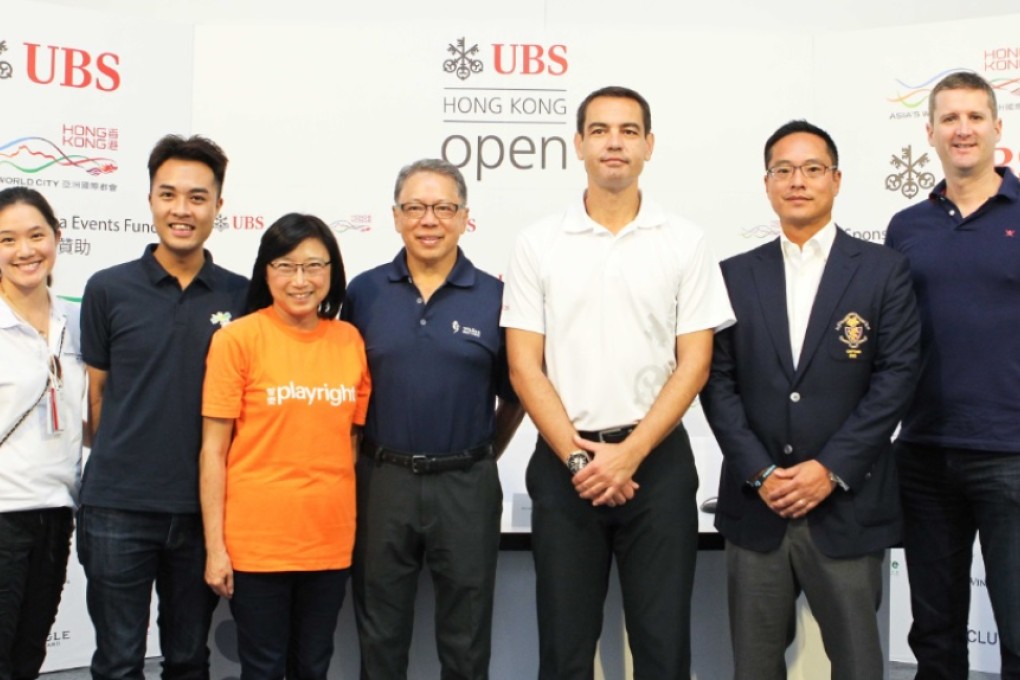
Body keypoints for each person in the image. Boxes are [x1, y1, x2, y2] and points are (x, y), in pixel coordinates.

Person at [501, 85, 734, 679]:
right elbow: (524, 365)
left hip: (656, 466)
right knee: (563, 648)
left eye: (629, 131)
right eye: (600, 130)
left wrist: (629, 455)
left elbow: (695, 363)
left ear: (649, 146)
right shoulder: (537, 243)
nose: (614, 143)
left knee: (663, 648)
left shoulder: (685, 241)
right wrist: (584, 463)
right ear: (578, 144)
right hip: (563, 465)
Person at [700, 120, 921, 679]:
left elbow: (895, 379)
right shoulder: (732, 276)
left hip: (847, 506)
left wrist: (830, 469)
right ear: (768, 183)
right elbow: (715, 382)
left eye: (813, 169)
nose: (798, 181)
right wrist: (760, 471)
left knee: (858, 664)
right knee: (754, 667)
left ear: (837, 180)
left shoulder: (883, 271)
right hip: (758, 509)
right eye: (784, 170)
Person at [340, 158, 523, 680]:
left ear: (465, 217)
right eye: (415, 207)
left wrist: (484, 450)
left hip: (466, 482)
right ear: (395, 217)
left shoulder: (496, 296)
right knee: (379, 634)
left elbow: (517, 394)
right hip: (382, 482)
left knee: (466, 641)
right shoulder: (365, 293)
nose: (429, 220)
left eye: (443, 208)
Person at [79, 135, 248, 680]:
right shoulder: (107, 289)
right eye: (168, 194)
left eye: (198, 197)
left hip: (204, 515)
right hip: (116, 510)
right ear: (150, 199)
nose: (182, 210)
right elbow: (97, 397)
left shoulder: (243, 297)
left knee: (187, 660)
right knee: (118, 661)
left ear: (219, 206)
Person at [886, 71, 1020, 680]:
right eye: (949, 118)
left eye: (974, 116)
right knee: (935, 637)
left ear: (997, 126)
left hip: (1011, 453)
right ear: (930, 132)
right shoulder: (905, 227)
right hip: (924, 454)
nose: (962, 129)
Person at [200, 213, 370, 680]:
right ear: (265, 272)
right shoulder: (237, 339)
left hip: (329, 541)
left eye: (314, 266)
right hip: (259, 544)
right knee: (263, 667)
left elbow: (350, 442)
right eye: (285, 266)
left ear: (332, 272)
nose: (301, 280)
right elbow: (213, 451)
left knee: (314, 666)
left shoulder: (349, 341)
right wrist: (216, 548)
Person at [0, 188, 86, 680]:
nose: (25, 250)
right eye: (7, 239)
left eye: (36, 235)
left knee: (29, 653)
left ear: (58, 237)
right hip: (4, 513)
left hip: (56, 510)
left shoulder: (74, 321)